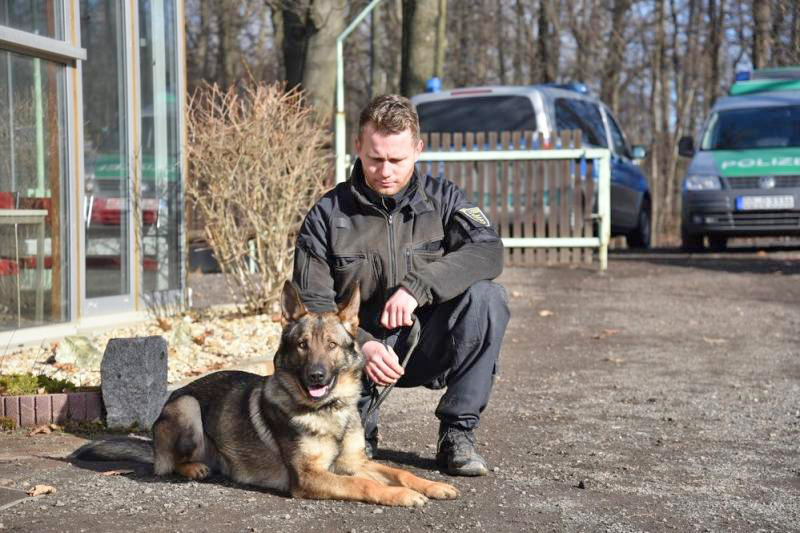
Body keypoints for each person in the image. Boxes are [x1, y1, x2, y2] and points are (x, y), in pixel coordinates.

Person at [292, 94, 509, 476]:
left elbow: (488, 252)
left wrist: (418, 286)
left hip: (428, 346)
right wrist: (364, 344)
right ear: (358, 147)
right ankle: (360, 431)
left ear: (418, 150)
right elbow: (313, 304)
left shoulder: (444, 200)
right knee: (348, 463)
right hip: (355, 358)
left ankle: (457, 435)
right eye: (375, 158)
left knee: (488, 297)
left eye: (397, 159)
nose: (385, 171)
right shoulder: (327, 216)